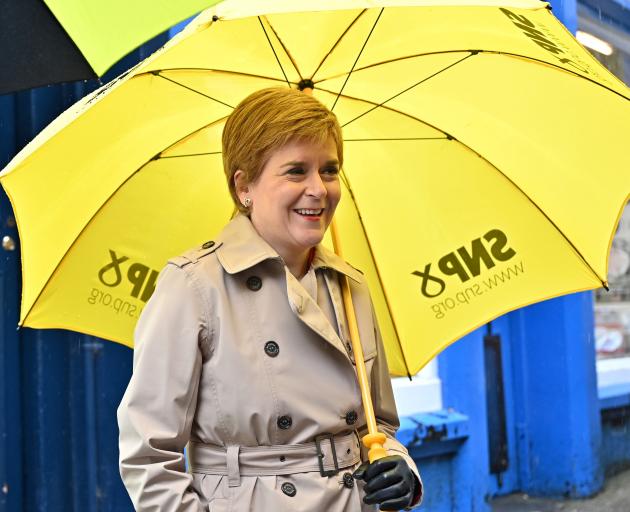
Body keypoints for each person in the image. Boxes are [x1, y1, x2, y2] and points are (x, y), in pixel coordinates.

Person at [117, 87, 422, 511]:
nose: (319, 189)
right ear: (244, 185)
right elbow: (148, 456)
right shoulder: (193, 286)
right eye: (296, 171)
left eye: (329, 170)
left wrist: (400, 466)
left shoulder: (350, 285)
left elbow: (380, 423)